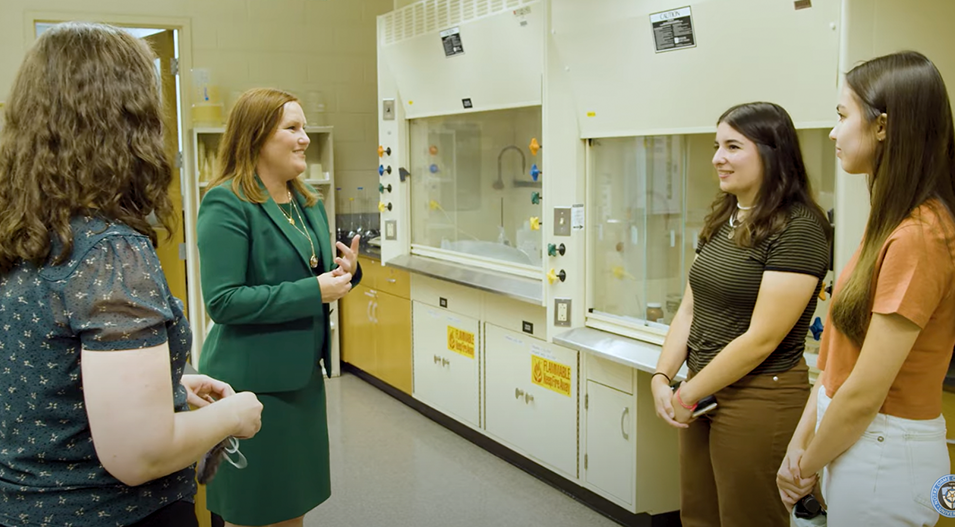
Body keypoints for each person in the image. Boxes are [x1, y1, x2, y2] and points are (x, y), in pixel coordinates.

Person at [0, 22, 263, 527]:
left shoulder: (28, 231)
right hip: (111, 513)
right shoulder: (111, 252)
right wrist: (231, 416)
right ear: (127, 121)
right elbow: (139, 455)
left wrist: (168, 385)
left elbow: (52, 373)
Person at [777, 51, 955, 526]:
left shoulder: (921, 236)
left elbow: (865, 392)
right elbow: (839, 369)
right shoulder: (890, 224)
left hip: (887, 456)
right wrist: (800, 448)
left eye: (841, 116)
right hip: (855, 442)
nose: (834, 131)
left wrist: (804, 465)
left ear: (882, 127)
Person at [651, 102, 832, 526]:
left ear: (772, 153)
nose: (718, 157)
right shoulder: (725, 214)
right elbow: (691, 308)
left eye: (733, 146)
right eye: (717, 145)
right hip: (701, 391)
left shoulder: (799, 226)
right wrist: (662, 376)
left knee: (748, 519)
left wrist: (685, 394)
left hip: (758, 396)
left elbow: (761, 340)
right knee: (698, 516)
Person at [197, 87, 361, 527]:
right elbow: (223, 301)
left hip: (301, 382)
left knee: (292, 506)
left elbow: (317, 272)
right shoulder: (227, 202)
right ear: (256, 138)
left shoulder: (307, 203)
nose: (305, 137)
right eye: (292, 128)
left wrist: (346, 273)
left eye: (304, 127)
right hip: (252, 384)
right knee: (254, 510)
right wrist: (314, 291)